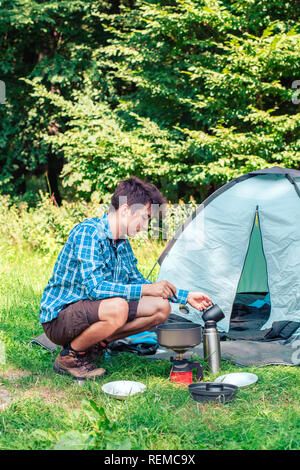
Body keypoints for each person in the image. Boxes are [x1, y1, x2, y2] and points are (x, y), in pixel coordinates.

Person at [39, 177, 212, 379]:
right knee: (119, 306)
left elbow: (137, 282)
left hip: (95, 312)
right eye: (145, 217)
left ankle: (96, 344)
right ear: (125, 210)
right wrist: (148, 290)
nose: (146, 225)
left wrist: (185, 296)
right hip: (60, 319)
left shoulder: (122, 243)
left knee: (160, 308)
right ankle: (69, 357)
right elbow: (95, 289)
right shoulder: (89, 233)